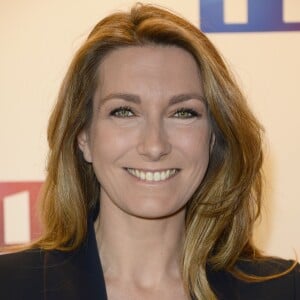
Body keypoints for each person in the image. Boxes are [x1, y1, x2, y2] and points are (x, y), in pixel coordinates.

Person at [0, 3, 299, 300]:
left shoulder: (284, 289)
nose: (154, 146)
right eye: (124, 112)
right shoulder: (10, 285)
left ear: (213, 137)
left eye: (183, 113)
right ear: (83, 136)